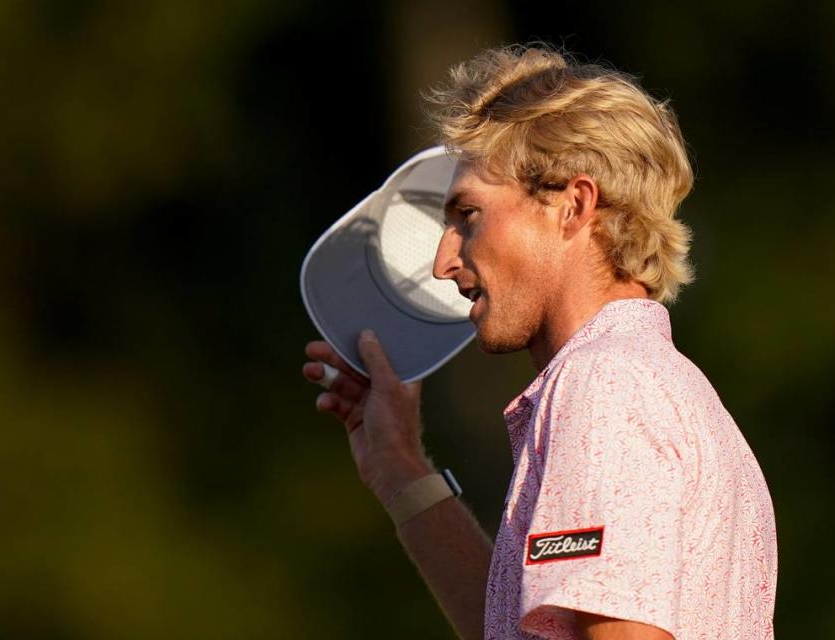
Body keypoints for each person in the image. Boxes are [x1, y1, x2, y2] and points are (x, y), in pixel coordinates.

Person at [302, 44, 777, 640]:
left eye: (467, 215)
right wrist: (400, 465)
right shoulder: (650, 383)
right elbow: (514, 629)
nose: (443, 261)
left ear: (573, 207)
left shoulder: (604, 386)